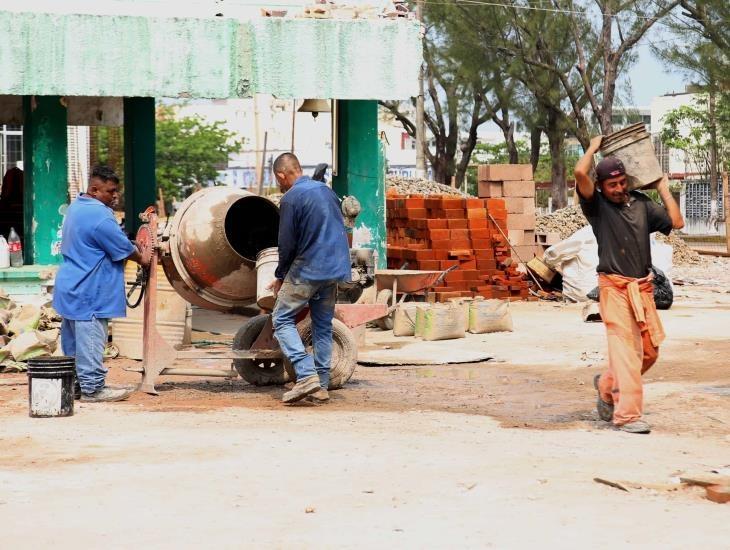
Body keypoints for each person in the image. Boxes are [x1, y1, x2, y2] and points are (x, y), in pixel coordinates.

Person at [574, 136, 684, 434]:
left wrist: (661, 186)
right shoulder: (595, 207)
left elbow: (676, 222)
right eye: (612, 184)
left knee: (649, 352)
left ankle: (607, 384)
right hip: (613, 288)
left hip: (642, 289)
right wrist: (593, 147)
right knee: (626, 351)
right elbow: (580, 173)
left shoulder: (641, 204)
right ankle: (627, 415)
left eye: (622, 182)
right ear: (601, 187)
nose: (619, 188)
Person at [53, 165, 148, 402]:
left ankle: (76, 386)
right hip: (90, 290)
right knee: (92, 342)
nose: (115, 196)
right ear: (95, 190)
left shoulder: (76, 207)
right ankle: (93, 389)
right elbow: (124, 248)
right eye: (111, 191)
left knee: (74, 344)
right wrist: (143, 257)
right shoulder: (100, 214)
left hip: (71, 287)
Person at [268, 153, 351, 404]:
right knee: (322, 325)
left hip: (309, 269)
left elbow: (287, 244)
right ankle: (321, 386)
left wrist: (280, 276)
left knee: (281, 319)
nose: (279, 183)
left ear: (282, 174)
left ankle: (305, 376)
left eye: (277, 179)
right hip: (335, 268)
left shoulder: (291, 198)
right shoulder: (326, 191)